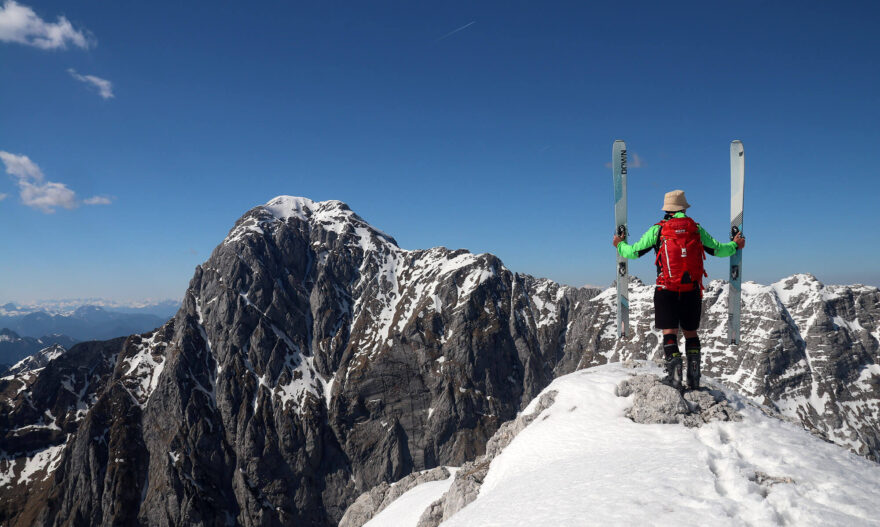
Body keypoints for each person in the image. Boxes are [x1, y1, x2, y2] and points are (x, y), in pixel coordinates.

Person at [612, 190, 745, 390]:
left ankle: (674, 378)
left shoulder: (658, 230)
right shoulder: (696, 229)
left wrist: (619, 244)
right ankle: (693, 378)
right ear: (683, 208)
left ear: (667, 210)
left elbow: (634, 252)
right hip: (691, 289)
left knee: (670, 332)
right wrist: (735, 244)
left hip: (666, 289)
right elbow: (718, 249)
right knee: (691, 333)